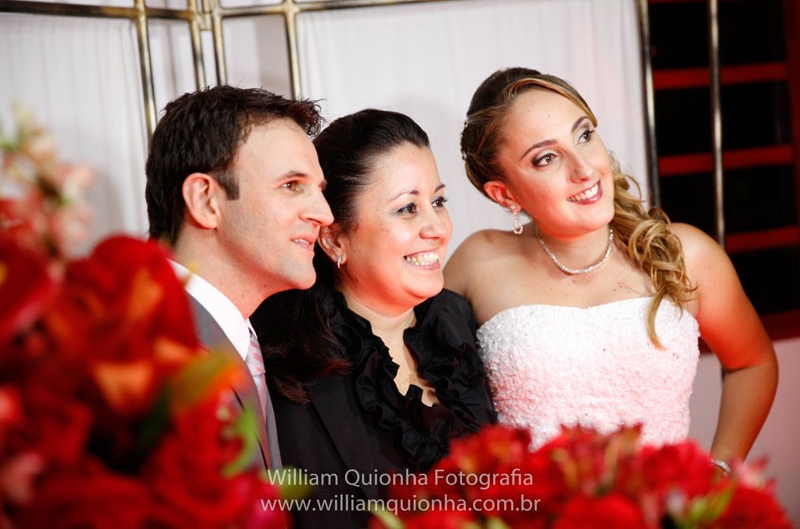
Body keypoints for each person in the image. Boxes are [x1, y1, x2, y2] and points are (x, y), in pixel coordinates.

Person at [445, 67, 778, 468]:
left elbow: (752, 363)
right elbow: (422, 390)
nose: (584, 169)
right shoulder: (477, 263)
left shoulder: (685, 255)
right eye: (546, 158)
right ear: (504, 194)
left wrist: (721, 468)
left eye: (584, 135)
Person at [252, 109, 496, 528]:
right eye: (407, 209)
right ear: (334, 239)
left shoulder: (459, 320)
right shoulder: (286, 361)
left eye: (438, 202)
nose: (437, 228)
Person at [144, 85, 333, 470]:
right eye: (291, 186)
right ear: (205, 200)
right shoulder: (153, 354)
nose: (324, 214)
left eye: (318, 190)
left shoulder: (239, 335)